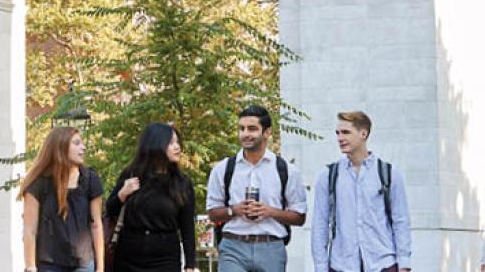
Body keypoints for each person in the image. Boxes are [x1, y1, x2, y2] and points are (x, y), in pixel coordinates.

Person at [206, 105, 308, 272]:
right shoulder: (223, 169)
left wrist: (270, 212)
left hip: (271, 247)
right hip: (233, 246)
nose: (245, 134)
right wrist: (234, 210)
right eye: (242, 128)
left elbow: (299, 217)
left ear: (267, 132)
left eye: (252, 129)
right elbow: (212, 212)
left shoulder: (286, 170)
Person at [310, 111, 411, 272]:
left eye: (346, 132)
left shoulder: (389, 174)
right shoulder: (328, 176)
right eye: (337, 133)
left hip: (382, 264)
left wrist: (404, 264)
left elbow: (401, 221)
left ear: (363, 133)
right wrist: (320, 268)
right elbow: (320, 226)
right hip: (342, 265)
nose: (340, 138)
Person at [106, 123, 196, 272]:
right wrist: (123, 193)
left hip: (165, 258)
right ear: (155, 144)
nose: (177, 147)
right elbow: (110, 210)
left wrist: (190, 265)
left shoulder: (182, 182)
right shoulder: (131, 174)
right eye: (171, 143)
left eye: (178, 142)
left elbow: (187, 227)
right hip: (129, 257)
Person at [18, 126, 105, 272]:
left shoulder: (90, 179)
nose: (83, 148)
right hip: (49, 263)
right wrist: (30, 266)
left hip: (83, 263)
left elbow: (96, 225)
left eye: (82, 143)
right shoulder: (38, 183)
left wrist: (101, 267)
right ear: (61, 146)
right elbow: (29, 230)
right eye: (76, 143)